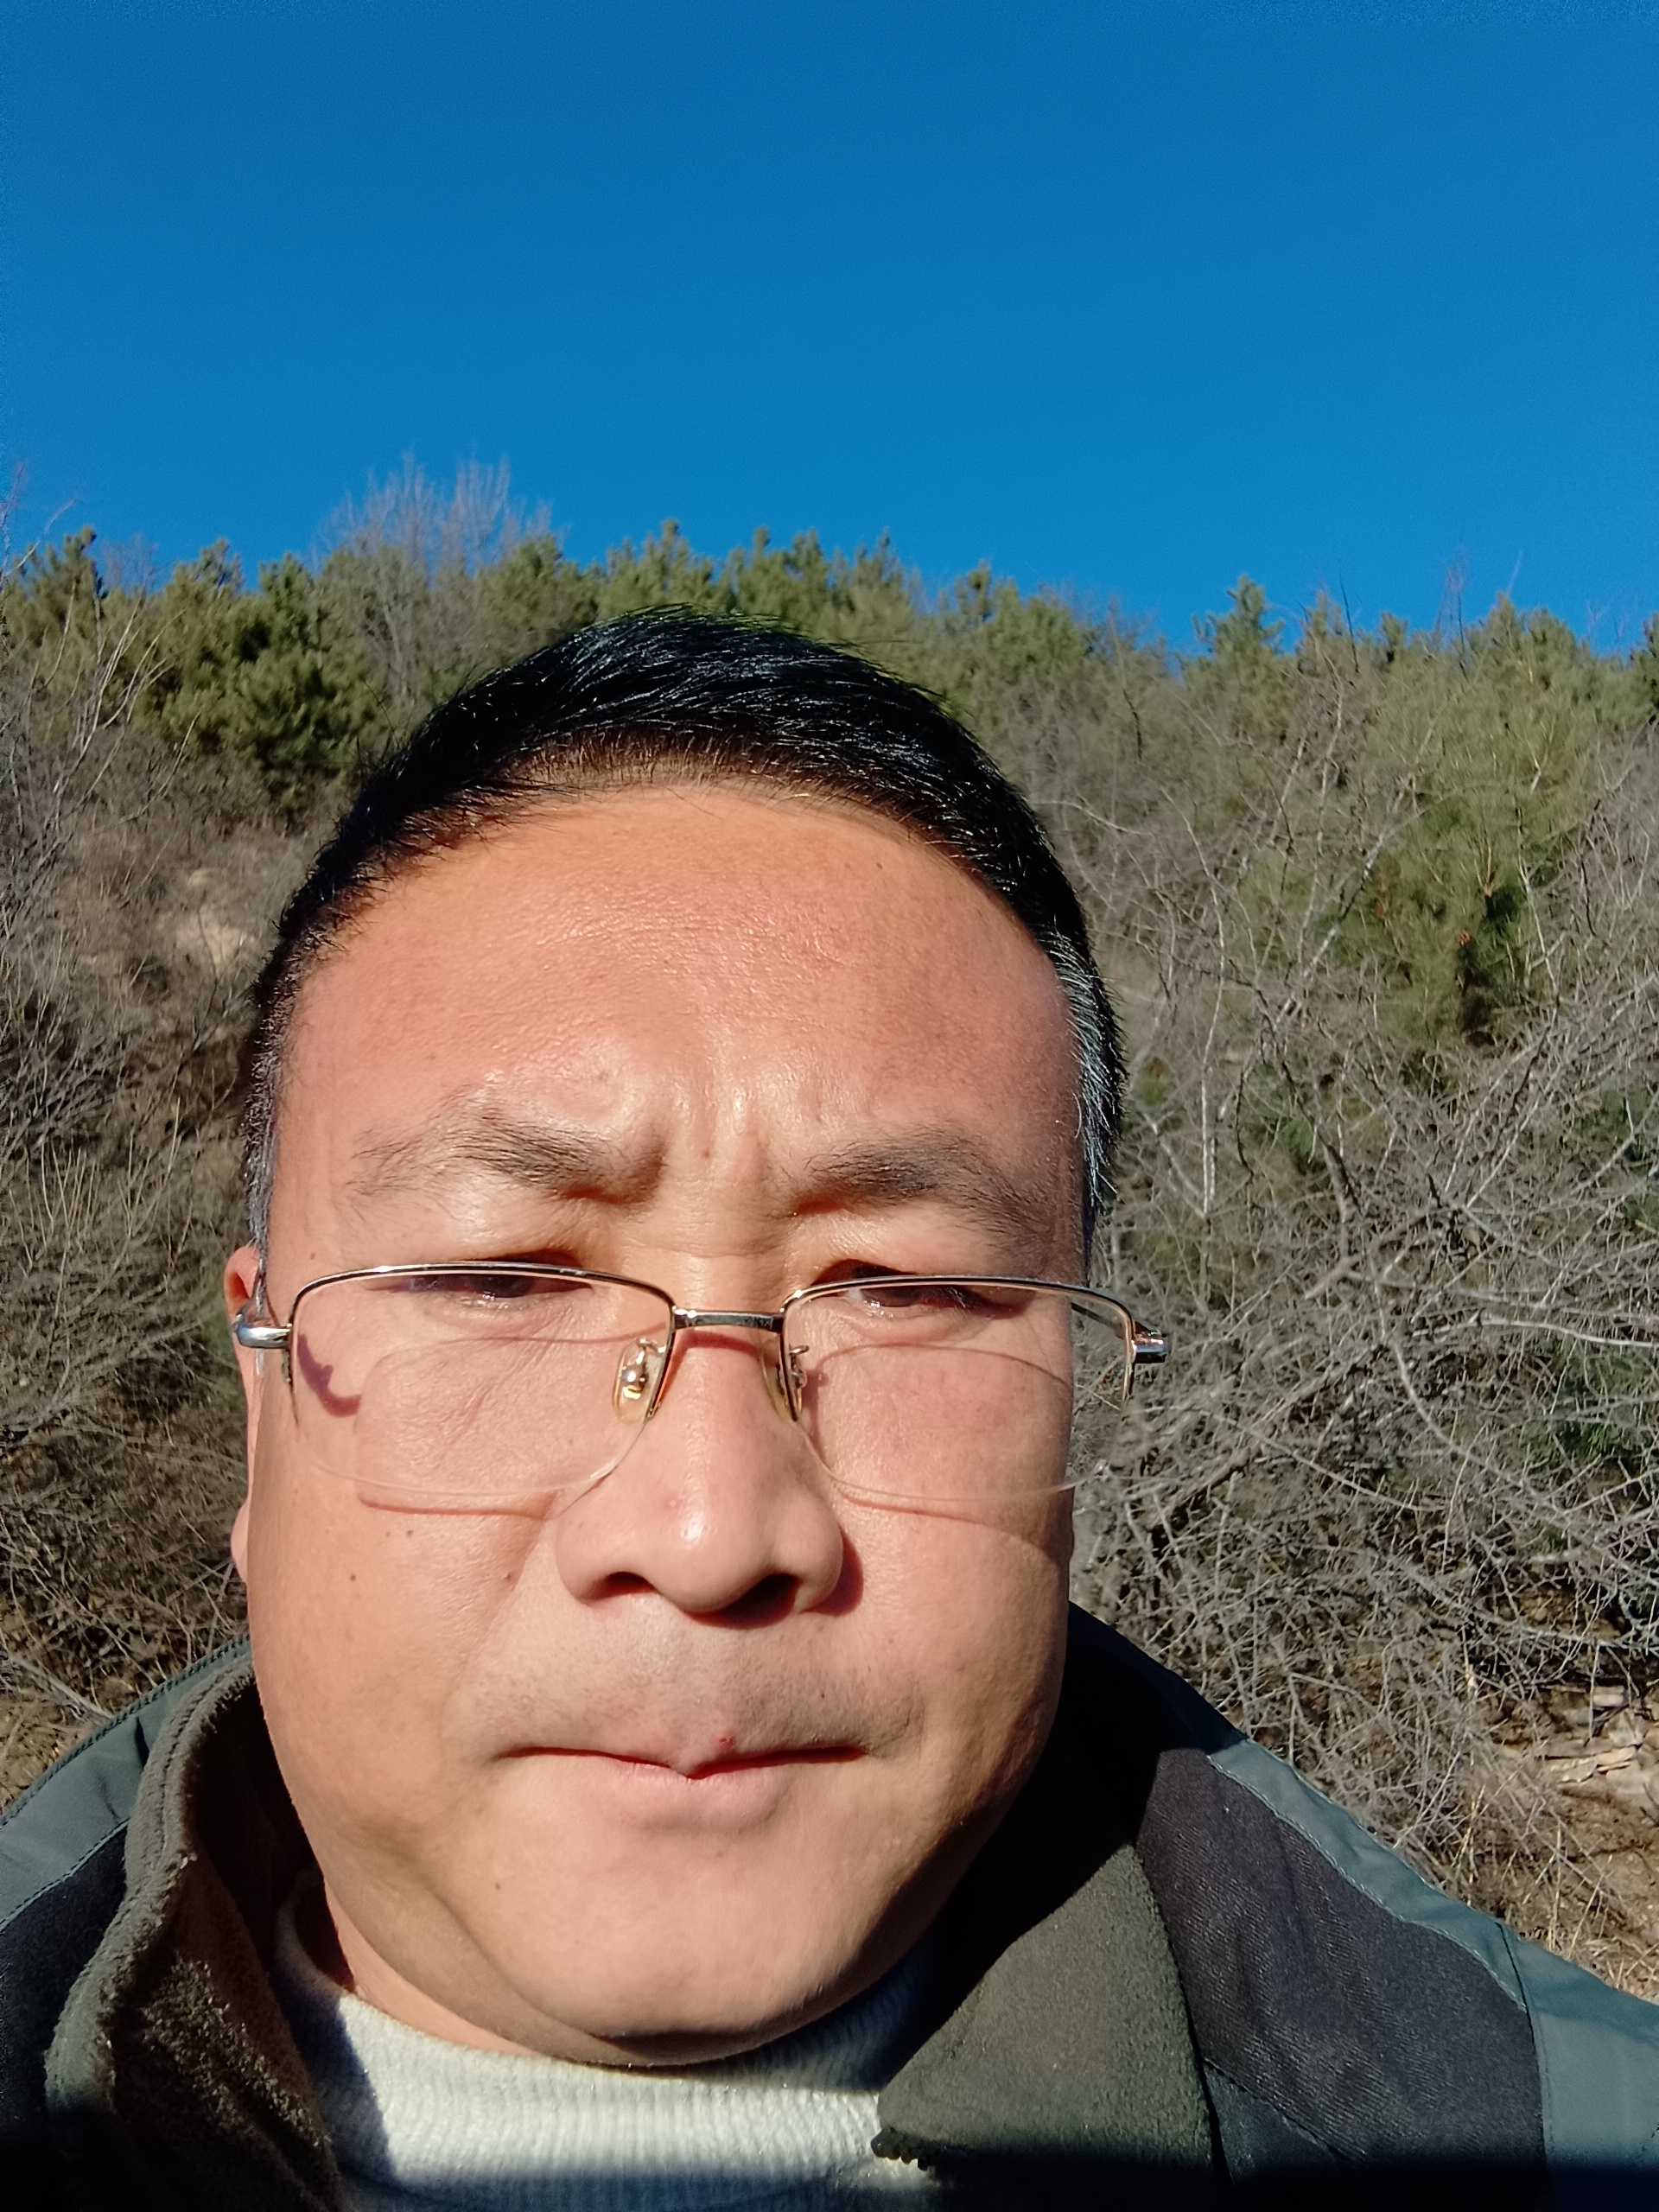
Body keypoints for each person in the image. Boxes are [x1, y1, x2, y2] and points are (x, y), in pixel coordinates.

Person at [2, 614, 1656, 2212]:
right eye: (500, 1281)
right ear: (264, 1384)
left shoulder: (1560, 2151)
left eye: (906, 1291)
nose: (713, 1530)